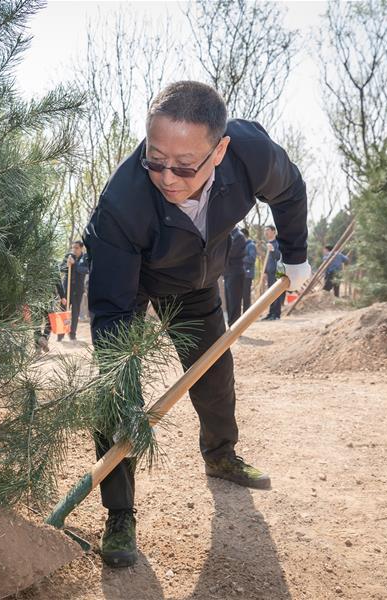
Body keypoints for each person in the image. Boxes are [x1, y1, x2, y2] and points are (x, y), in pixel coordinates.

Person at [84, 81, 310, 568]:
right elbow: (111, 314)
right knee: (114, 389)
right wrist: (118, 373)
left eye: (185, 165)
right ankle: (119, 511)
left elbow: (290, 192)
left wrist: (296, 256)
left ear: (220, 149)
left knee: (215, 376)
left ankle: (220, 453)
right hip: (135, 281)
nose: (167, 176)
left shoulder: (252, 154)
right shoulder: (122, 205)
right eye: (155, 159)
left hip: (197, 282)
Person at [58, 241, 90, 341]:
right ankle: (61, 334)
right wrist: (67, 265)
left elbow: (86, 270)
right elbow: (61, 268)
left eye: (76, 248)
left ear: (81, 248)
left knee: (75, 312)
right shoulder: (68, 256)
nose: (74, 250)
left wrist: (74, 264)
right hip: (66, 288)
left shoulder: (85, 258)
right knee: (63, 310)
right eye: (73, 248)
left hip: (78, 289)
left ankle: (72, 334)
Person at [223, 227, 247, 325]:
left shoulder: (239, 236)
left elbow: (230, 253)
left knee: (234, 301)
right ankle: (230, 324)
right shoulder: (228, 234)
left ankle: (235, 325)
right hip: (227, 272)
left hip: (236, 272)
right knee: (229, 300)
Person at [261, 225, 284, 321]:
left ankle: (277, 314)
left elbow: (280, 256)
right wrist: (265, 272)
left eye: (268, 230)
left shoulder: (278, 242)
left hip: (278, 271)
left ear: (274, 231)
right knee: (270, 293)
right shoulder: (269, 243)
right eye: (265, 230)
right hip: (270, 272)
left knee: (276, 293)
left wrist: (273, 250)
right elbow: (268, 259)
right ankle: (271, 313)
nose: (266, 232)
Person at [242, 227, 257, 312]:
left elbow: (252, 258)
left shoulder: (251, 245)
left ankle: (246, 312)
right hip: (242, 274)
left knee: (246, 295)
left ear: (245, 236)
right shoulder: (243, 245)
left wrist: (240, 257)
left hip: (248, 274)